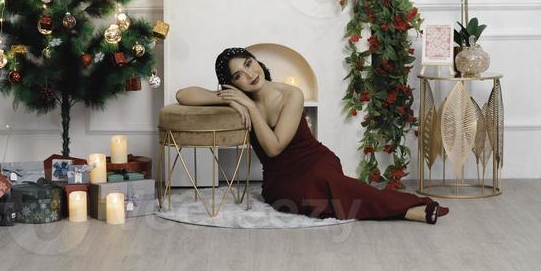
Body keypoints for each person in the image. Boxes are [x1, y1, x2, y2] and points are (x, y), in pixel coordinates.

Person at [175, 47, 449, 224]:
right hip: (280, 179)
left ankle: (410, 209)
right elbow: (182, 95)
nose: (249, 74)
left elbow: (274, 147)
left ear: (257, 60)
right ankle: (402, 209)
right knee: (310, 200)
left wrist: (248, 107)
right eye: (239, 75)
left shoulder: (291, 94)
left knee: (327, 182)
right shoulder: (237, 98)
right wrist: (225, 99)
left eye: (249, 63)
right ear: (231, 83)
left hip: (315, 161)